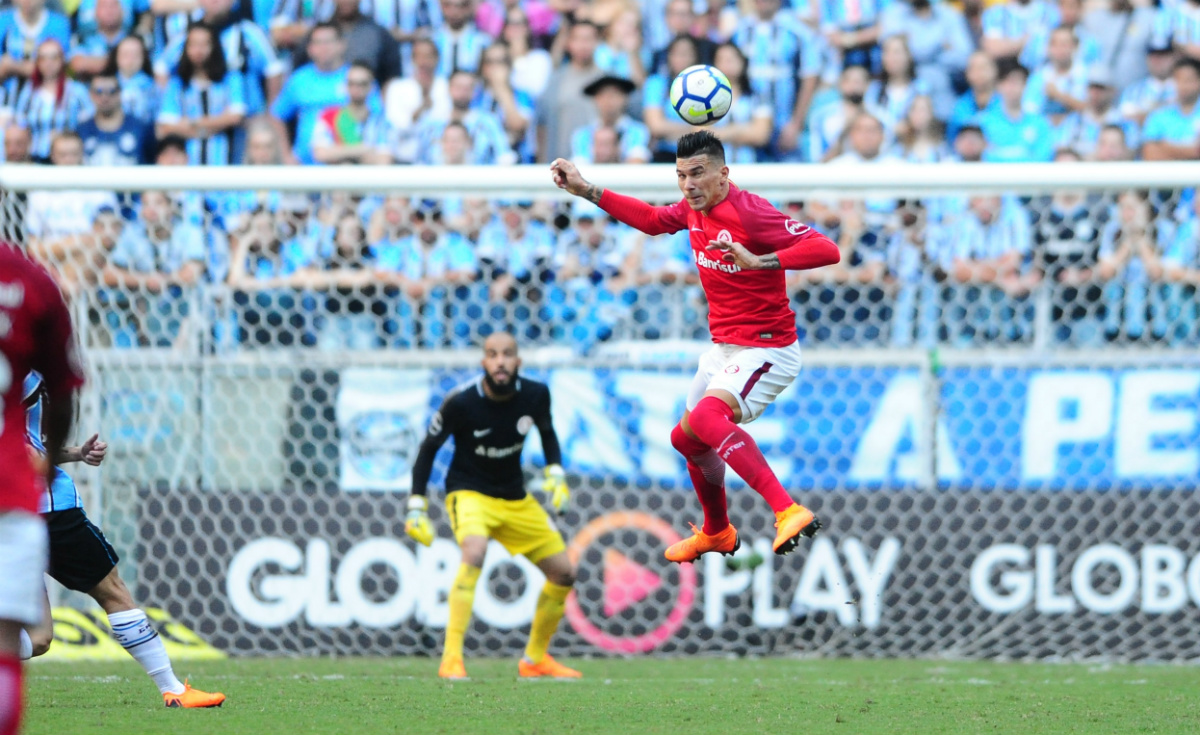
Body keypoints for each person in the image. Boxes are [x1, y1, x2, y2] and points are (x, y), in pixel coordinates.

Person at [550, 130, 838, 562]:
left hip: (767, 348)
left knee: (706, 416)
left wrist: (761, 261)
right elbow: (649, 220)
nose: (688, 184)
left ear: (724, 174)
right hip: (725, 349)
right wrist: (585, 189)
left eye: (698, 174)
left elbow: (826, 249)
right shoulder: (692, 209)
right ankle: (717, 532)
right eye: (681, 175)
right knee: (687, 440)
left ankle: (787, 509)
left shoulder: (751, 213)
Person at [19, 372, 226, 708]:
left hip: (13, 516)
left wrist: (76, 453)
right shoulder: (19, 364)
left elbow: (28, 446)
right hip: (48, 508)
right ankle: (173, 689)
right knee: (113, 591)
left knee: (40, 638)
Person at [404, 331, 581, 680]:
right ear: (483, 361)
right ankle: (451, 659)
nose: (500, 361)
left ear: (518, 361)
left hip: (515, 497)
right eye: (492, 354)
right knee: (474, 551)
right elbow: (428, 449)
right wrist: (416, 506)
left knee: (564, 572)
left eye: (507, 354)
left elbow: (547, 431)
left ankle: (534, 660)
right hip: (469, 493)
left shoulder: (535, 394)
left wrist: (556, 473)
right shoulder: (461, 402)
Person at [0, 243, 84, 735]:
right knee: (13, 644)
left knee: (42, 635)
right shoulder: (31, 282)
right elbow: (64, 393)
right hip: (10, 490)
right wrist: (51, 464)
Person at [155, 23, 247, 166]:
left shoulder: (231, 79)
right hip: (188, 169)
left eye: (204, 44)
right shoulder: (177, 83)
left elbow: (235, 118)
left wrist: (192, 123)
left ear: (214, 46)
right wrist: (217, 124)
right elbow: (166, 127)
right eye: (193, 44)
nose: (199, 50)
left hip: (226, 167)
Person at [271, 22, 350, 164]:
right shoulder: (299, 79)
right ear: (309, 49)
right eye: (318, 43)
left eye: (329, 41)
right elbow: (277, 115)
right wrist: (286, 155)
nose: (324, 48)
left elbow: (374, 114)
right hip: (305, 168)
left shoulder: (355, 77)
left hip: (347, 167)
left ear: (342, 45)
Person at [12, 39, 93, 162]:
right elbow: (20, 123)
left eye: (53, 58)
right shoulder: (29, 92)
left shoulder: (76, 91)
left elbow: (89, 123)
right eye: (43, 58)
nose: (48, 63)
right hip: (36, 157)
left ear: (62, 60)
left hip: (67, 159)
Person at [310, 61, 391, 164]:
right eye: (351, 83)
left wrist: (339, 153)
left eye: (362, 84)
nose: (356, 89)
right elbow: (320, 153)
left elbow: (384, 160)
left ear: (371, 86)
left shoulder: (380, 121)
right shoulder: (329, 116)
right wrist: (362, 150)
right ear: (345, 86)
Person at [77, 69, 157, 165]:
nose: (105, 97)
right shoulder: (81, 130)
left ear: (120, 93)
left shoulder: (141, 129)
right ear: (90, 95)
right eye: (99, 92)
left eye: (111, 91)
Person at [1141, 58, 1200, 161]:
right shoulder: (1158, 115)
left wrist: (1165, 146)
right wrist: (1191, 151)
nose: (1183, 86)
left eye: (1188, 80)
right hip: (1167, 176)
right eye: (1178, 80)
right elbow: (1149, 153)